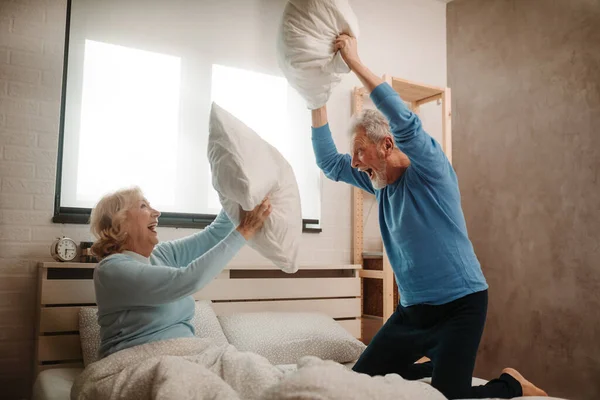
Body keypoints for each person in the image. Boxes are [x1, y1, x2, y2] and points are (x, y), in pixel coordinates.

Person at [309, 34, 548, 399]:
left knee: (448, 397)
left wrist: (354, 62)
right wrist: (315, 96)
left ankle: (511, 384)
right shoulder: (377, 180)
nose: (355, 163)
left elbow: (405, 122)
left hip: (460, 307)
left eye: (360, 152)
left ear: (387, 146)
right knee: (356, 383)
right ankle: (432, 364)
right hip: (411, 314)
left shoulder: (430, 169)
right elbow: (328, 162)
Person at [89, 186, 271, 359]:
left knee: (250, 368)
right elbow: (187, 280)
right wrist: (244, 231)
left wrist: (233, 189)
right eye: (143, 206)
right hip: (141, 362)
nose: (157, 212)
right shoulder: (111, 269)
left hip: (188, 355)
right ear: (120, 222)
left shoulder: (161, 255)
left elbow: (216, 233)